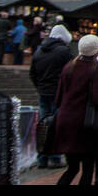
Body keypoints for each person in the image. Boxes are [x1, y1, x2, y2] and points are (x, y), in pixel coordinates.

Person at [53, 35, 98, 185]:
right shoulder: (95, 69)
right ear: (96, 51)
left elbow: (58, 98)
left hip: (65, 120)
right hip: (84, 123)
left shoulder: (68, 67)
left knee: (72, 168)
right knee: (87, 168)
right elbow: (97, 99)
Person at [30, 23, 75, 168]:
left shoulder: (38, 51)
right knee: (56, 125)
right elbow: (72, 72)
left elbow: (33, 73)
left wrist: (40, 87)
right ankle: (55, 157)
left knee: (43, 126)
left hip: (43, 92)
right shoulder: (64, 52)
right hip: (59, 93)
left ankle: (42, 157)